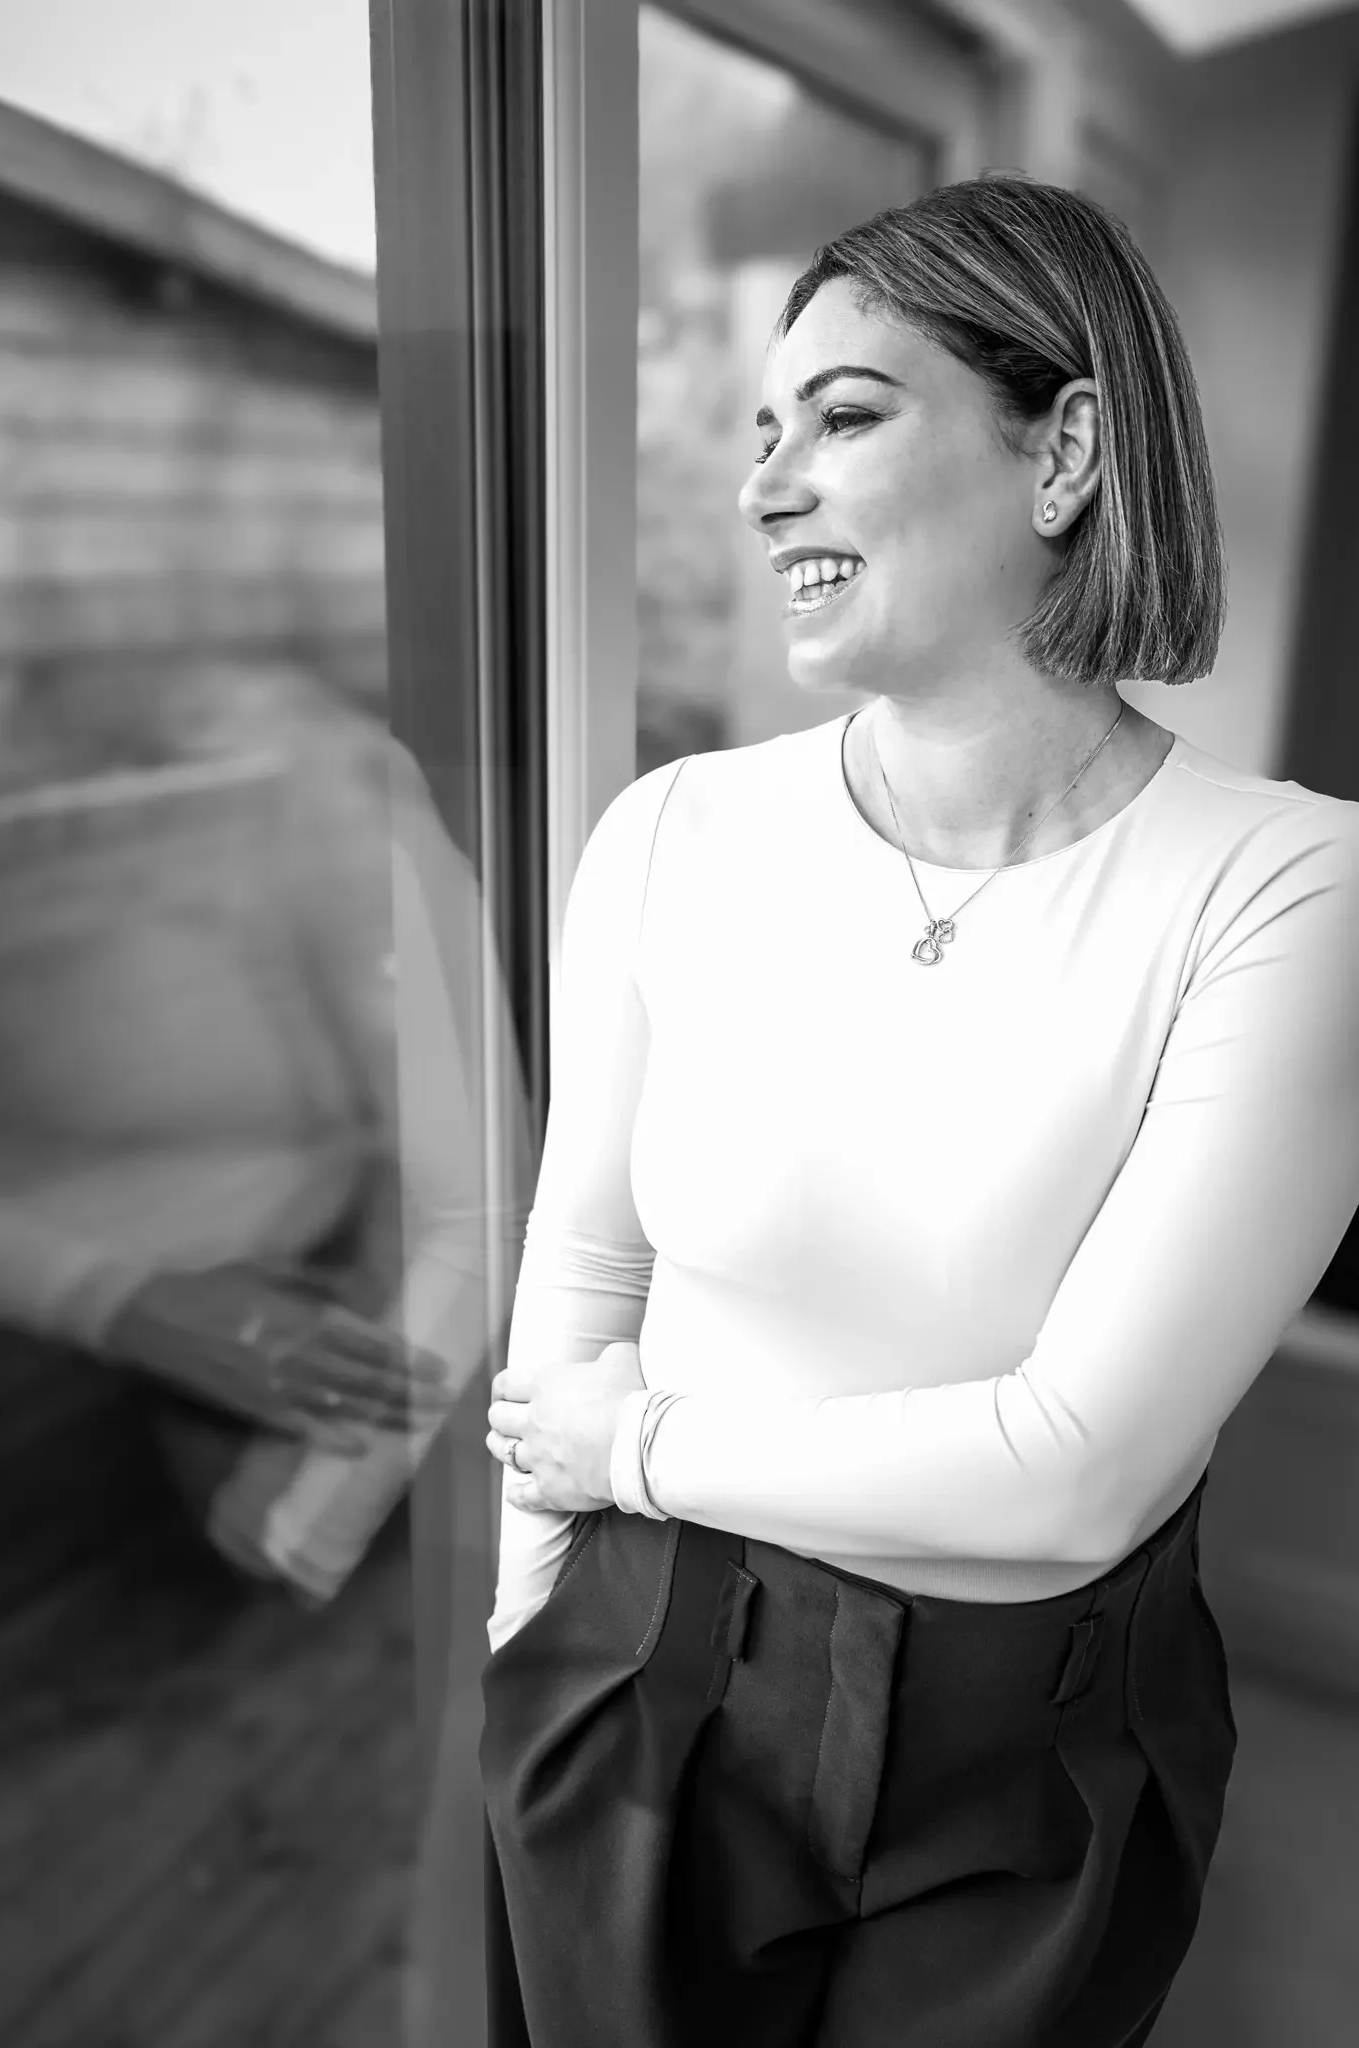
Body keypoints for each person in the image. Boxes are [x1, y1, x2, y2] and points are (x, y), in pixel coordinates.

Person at [476, 174, 1359, 2047]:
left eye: (848, 415)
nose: (766, 481)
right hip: (639, 1666)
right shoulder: (672, 832)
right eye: (763, 429)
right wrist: (523, 1653)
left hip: (1023, 1746)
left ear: (1070, 451)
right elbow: (587, 1251)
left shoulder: (1289, 886)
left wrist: (627, 1448)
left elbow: (1076, 1469)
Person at [0, 657, 530, 1636]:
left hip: (290, 1349)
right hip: (76, 1334)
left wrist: (306, 1511)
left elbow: (475, 1198)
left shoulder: (290, 781)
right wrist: (115, 1302)